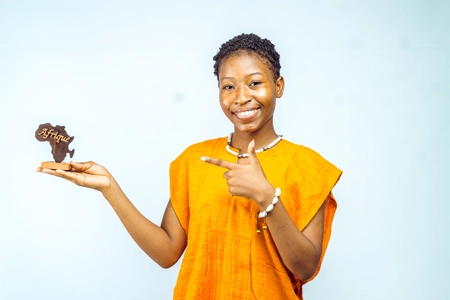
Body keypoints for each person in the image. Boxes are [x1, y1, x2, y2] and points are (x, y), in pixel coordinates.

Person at [37, 33, 342, 300]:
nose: (241, 97)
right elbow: (167, 252)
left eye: (255, 83)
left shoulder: (308, 168)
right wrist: (109, 188)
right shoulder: (195, 161)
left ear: (278, 85)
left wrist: (267, 198)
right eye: (228, 86)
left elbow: (306, 267)